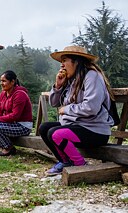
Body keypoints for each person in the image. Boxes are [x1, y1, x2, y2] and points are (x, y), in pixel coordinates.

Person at [39, 45, 115, 176]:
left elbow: (91, 107)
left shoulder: (92, 76)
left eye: (65, 60)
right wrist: (58, 86)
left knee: (56, 134)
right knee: (44, 128)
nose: (62, 65)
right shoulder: (71, 80)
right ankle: (65, 162)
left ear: (77, 61)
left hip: (94, 130)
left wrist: (66, 109)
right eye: (61, 61)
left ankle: (80, 165)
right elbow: (54, 103)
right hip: (77, 126)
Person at [0, 70, 33, 156]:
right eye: (1, 81)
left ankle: (8, 148)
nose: (1, 83)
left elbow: (15, 116)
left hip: (22, 126)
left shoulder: (20, 94)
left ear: (12, 82)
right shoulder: (3, 94)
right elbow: (0, 111)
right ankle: (6, 145)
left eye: (4, 81)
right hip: (11, 124)